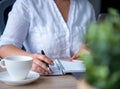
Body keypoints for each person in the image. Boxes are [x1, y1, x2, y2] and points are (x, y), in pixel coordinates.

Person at [0, 0, 96, 75]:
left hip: (81, 81)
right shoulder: (27, 3)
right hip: (41, 79)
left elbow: (95, 45)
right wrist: (29, 59)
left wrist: (89, 48)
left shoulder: (86, 7)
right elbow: (4, 47)